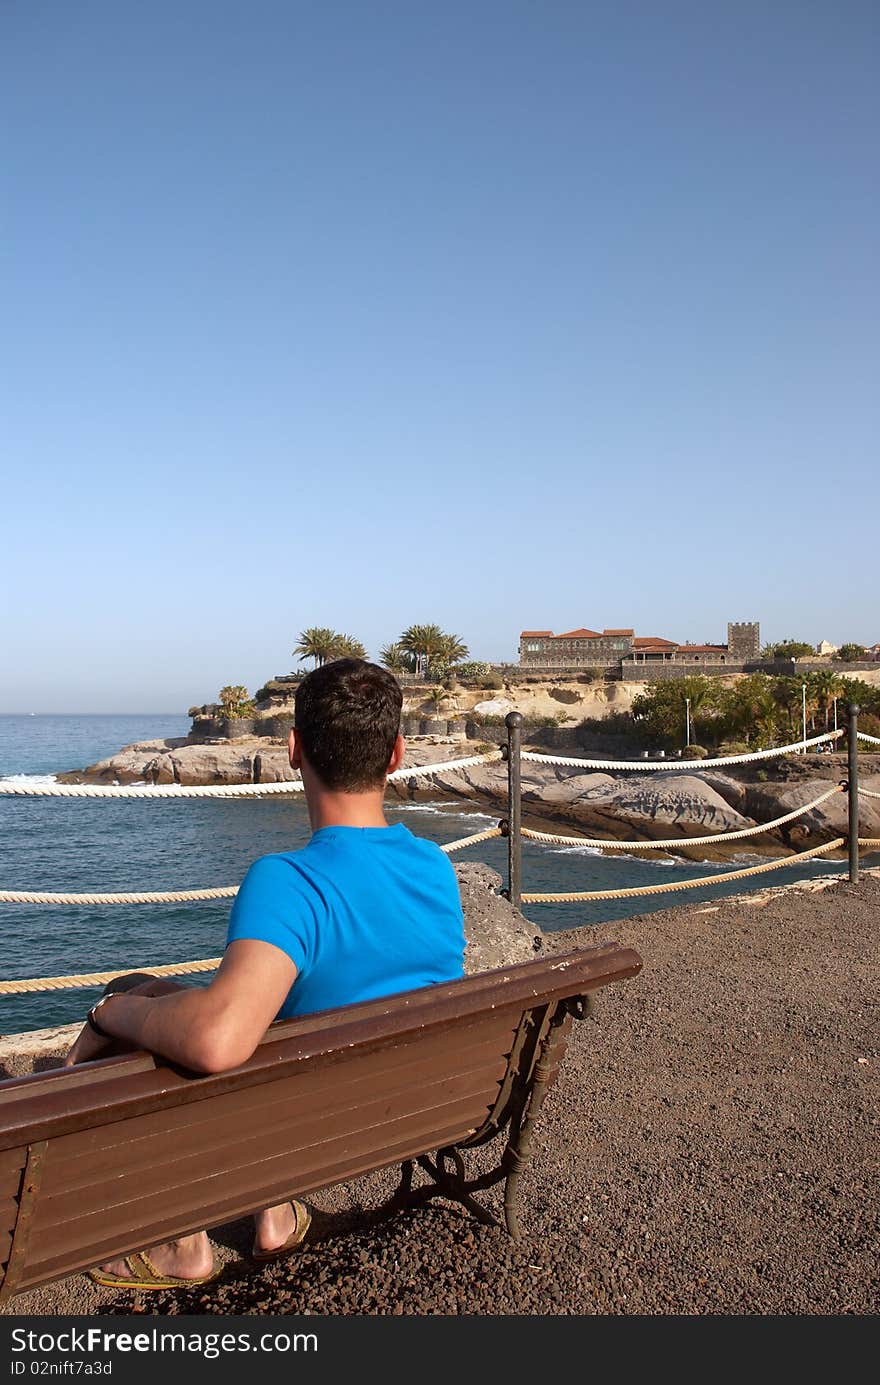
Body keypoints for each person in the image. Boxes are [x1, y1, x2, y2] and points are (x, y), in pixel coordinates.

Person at [64, 658, 467, 1290]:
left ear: (292, 750)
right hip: (416, 1104)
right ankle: (273, 1215)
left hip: (300, 1126)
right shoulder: (432, 865)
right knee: (175, 1002)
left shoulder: (289, 881)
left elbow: (218, 1041)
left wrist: (111, 1011)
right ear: (396, 754)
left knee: (169, 1034)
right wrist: (144, 994)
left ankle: (183, 1243)